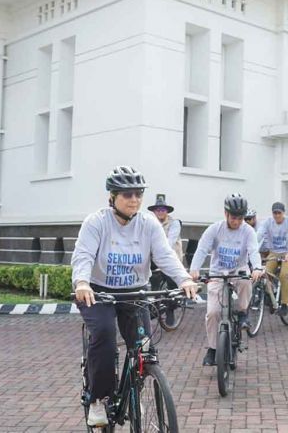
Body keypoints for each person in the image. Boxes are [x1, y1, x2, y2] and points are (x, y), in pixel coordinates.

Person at [72, 166, 197, 427]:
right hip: (99, 292)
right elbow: (83, 255)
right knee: (105, 336)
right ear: (112, 197)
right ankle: (98, 399)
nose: (134, 200)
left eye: (138, 194)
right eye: (127, 194)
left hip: (134, 292)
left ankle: (134, 393)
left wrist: (184, 279)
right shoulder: (96, 222)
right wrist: (82, 282)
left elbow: (164, 255)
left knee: (143, 348)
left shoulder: (148, 222)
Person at [189, 194, 263, 366]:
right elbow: (202, 249)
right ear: (225, 214)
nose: (236, 221)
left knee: (246, 279)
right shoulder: (215, 229)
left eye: (240, 218)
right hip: (218, 273)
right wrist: (194, 270)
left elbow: (253, 251)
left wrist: (257, 268)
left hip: (239, 271)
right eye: (233, 217)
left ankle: (243, 313)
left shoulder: (248, 231)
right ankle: (213, 349)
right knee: (213, 313)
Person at [257, 202, 288, 316]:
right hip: (274, 252)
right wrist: (252, 249)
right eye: (275, 213)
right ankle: (271, 296)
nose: (277, 215)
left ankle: (285, 304)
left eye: (279, 213)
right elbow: (259, 235)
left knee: (284, 275)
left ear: (283, 213)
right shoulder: (267, 222)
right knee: (266, 273)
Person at [148, 194, 183, 324]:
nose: (160, 212)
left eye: (163, 209)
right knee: (154, 280)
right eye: (158, 210)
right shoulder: (151, 224)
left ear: (167, 211)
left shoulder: (175, 223)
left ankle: (171, 309)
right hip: (155, 259)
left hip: (171, 259)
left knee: (172, 287)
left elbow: (169, 242)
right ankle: (156, 306)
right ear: (154, 211)